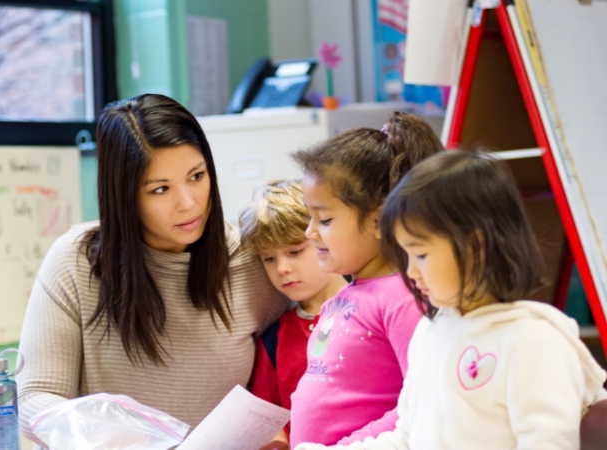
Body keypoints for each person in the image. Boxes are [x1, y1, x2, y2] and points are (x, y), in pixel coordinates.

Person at [15, 94, 289, 446]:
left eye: (197, 176)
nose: (189, 203)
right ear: (125, 196)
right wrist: (115, 436)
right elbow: (34, 399)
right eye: (160, 189)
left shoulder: (251, 258)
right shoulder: (75, 261)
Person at [296, 150, 607, 449]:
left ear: (475, 246)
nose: (411, 270)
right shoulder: (432, 331)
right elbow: (407, 436)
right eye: (405, 254)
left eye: (420, 254)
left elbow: (548, 443)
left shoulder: (532, 339)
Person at [289, 112, 444, 447]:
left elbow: (421, 404)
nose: (309, 231)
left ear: (379, 220)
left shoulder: (404, 299)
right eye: (309, 215)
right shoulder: (344, 297)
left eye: (325, 219)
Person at [238, 179, 347, 449]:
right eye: (269, 258)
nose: (282, 268)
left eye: (295, 251)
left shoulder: (372, 312)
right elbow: (268, 424)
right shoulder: (273, 339)